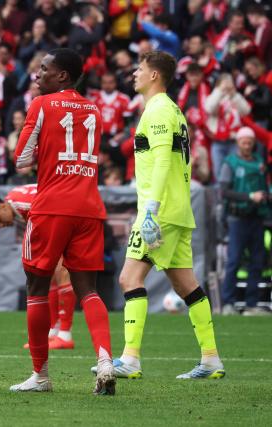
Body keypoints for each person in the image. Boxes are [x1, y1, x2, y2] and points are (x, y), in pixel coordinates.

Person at [103, 50, 224, 380]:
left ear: (154, 75)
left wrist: (151, 210)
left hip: (161, 210)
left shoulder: (157, 110)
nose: (134, 74)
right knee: (187, 285)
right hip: (178, 208)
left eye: (139, 69)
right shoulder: (174, 110)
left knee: (129, 279)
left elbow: (161, 162)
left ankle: (130, 359)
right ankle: (211, 358)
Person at [12, 48, 114, 395]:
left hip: (52, 205)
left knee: (37, 288)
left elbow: (21, 160)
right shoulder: (94, 109)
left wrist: (42, 150)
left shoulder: (42, 105)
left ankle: (40, 376)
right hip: (88, 207)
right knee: (90, 291)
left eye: (44, 69)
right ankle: (104, 362)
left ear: (63, 77)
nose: (37, 74)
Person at [0, 185, 77, 350]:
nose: (1, 226)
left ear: (3, 206)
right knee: (53, 275)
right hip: (63, 212)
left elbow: (55, 207)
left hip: (69, 214)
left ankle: (65, 334)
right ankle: (54, 331)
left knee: (62, 271)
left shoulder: (23, 205)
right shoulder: (15, 202)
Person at [218, 126, 270, 316]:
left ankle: (252, 303)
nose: (247, 145)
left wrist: (264, 197)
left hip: (256, 217)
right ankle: (228, 303)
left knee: (257, 261)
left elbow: (264, 186)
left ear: (253, 143)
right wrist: (249, 196)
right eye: (243, 141)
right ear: (238, 143)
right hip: (237, 218)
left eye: (249, 141)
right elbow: (224, 191)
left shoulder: (259, 163)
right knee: (234, 260)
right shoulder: (230, 163)